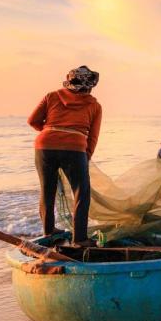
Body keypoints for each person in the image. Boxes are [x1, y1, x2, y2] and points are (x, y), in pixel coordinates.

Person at [27, 65, 102, 246]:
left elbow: (32, 121)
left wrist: (50, 132)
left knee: (47, 190)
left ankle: (49, 231)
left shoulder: (51, 96)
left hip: (44, 146)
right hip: (74, 148)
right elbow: (93, 136)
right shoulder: (94, 105)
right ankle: (80, 239)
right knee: (81, 192)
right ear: (90, 85)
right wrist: (87, 155)